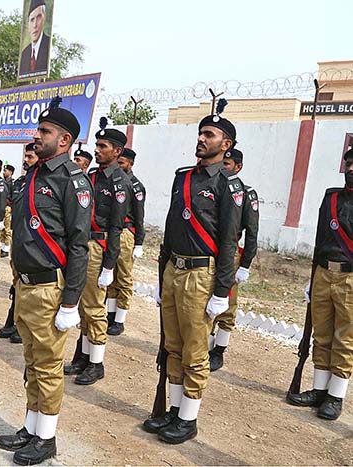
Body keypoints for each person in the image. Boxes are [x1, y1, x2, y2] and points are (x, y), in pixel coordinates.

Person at [0, 98, 91, 465]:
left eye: (44, 132)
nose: (37, 136)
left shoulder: (73, 181)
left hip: (51, 288)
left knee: (49, 365)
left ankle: (46, 438)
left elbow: (79, 245)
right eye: (39, 129)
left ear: (64, 140)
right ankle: (31, 426)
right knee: (33, 361)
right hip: (26, 284)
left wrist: (70, 302)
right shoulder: (33, 176)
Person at [142, 111, 243, 444]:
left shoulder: (227, 185)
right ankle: (173, 409)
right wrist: (161, 278)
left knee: (195, 349)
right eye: (201, 133)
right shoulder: (183, 178)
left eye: (210, 135)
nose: (202, 138)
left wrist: (222, 291)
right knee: (172, 345)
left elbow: (229, 241)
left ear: (225, 145)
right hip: (174, 269)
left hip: (202, 274)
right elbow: (172, 229)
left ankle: (188, 417)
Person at [286, 148, 353, 421]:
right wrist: (312, 278)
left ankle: (335, 396)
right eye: (349, 163)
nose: (351, 168)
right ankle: (319, 389)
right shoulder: (331, 198)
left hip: (350, 277)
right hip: (324, 273)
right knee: (322, 334)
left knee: (345, 339)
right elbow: (320, 240)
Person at [64, 118, 130, 385]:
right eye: (97, 144)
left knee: (94, 307)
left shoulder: (119, 182)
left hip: (99, 247)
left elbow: (116, 226)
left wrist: (109, 266)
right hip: (82, 244)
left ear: (116, 152)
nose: (97, 149)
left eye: (103, 146)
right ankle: (82, 355)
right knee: (81, 305)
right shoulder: (90, 177)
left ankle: (96, 362)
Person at [209, 148, 259, 371]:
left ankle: (219, 350)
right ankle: (205, 345)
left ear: (238, 167)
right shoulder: (211, 188)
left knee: (227, 305)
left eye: (227, 165)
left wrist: (245, 264)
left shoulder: (246, 193)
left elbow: (252, 232)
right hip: (209, 253)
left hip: (231, 257)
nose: (222, 168)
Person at [0, 143, 38, 344]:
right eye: (26, 156)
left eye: (30, 157)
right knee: (17, 283)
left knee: (29, 284)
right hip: (19, 238)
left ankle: (23, 326)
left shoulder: (41, 183)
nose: (26, 160)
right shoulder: (21, 182)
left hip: (35, 242)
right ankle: (14, 320)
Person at [107, 146, 147, 336]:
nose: (119, 165)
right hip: (110, 232)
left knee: (123, 277)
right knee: (110, 277)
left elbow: (139, 216)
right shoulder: (112, 181)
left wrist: (139, 241)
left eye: (122, 163)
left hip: (125, 234)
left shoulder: (136, 186)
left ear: (130, 164)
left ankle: (120, 319)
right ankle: (110, 314)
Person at [18, 0, 50, 78]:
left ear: (44, 19)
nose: (35, 25)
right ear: (28, 25)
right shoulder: (24, 54)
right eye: (32, 20)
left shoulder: (48, 46)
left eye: (39, 17)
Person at [1, 164, 15, 257]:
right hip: (3, 206)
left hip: (8, 207)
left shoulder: (12, 183)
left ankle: (6, 248)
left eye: (6, 171)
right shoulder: (4, 182)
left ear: (10, 172)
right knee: (2, 229)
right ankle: (2, 247)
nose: (4, 172)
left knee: (7, 229)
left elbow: (12, 196)